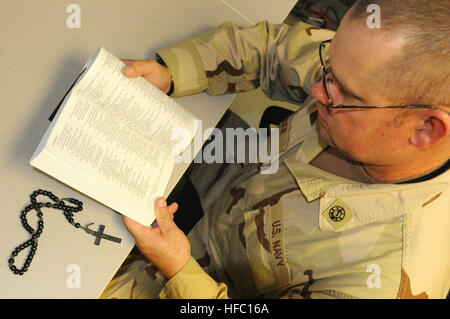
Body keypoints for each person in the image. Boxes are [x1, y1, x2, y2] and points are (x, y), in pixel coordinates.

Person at [100, 0, 449, 299]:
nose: (318, 89)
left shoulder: (379, 279)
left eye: (345, 95)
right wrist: (173, 73)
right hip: (214, 183)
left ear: (426, 129)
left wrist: (178, 270)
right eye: (329, 68)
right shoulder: (366, 70)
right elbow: (271, 49)